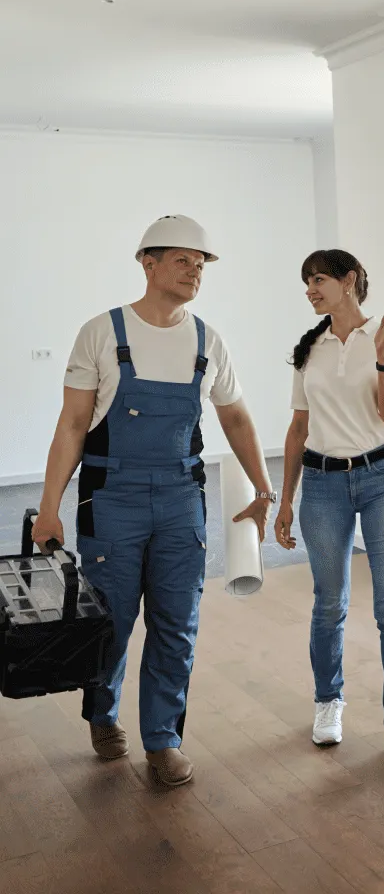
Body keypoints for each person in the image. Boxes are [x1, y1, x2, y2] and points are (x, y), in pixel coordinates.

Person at [31, 215, 277, 786]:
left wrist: (264, 489)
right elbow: (71, 425)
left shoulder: (206, 339)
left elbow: (236, 415)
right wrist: (49, 507)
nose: (195, 273)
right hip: (110, 495)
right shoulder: (101, 331)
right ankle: (102, 712)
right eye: (183, 261)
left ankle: (163, 739)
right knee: (112, 619)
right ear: (148, 263)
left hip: (180, 496)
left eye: (201, 264)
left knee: (176, 622)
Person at [273, 249, 384, 769]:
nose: (310, 290)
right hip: (320, 484)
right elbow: (297, 429)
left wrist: (382, 356)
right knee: (328, 603)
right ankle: (327, 702)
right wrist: (285, 500)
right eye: (306, 282)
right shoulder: (309, 349)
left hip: (382, 477)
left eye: (318, 280)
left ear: (350, 280)